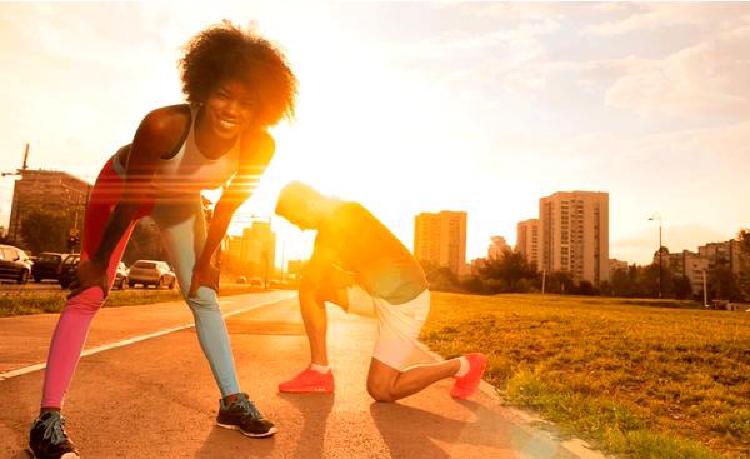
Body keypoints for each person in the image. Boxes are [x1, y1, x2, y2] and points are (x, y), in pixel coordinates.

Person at [28, 22, 296, 459]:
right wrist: (97, 261)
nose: (232, 110)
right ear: (203, 89)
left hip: (182, 202)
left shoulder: (259, 146)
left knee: (203, 294)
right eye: (224, 94)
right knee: (90, 293)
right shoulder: (163, 124)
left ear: (261, 109)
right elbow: (133, 197)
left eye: (246, 103)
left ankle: (232, 402)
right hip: (123, 188)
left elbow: (228, 204)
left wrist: (208, 259)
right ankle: (47, 420)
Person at [274, 182, 487, 402]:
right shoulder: (329, 229)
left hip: (405, 304)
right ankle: (319, 372)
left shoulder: (345, 214)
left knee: (382, 390)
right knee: (311, 287)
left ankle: (463, 365)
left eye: (295, 219)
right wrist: (342, 274)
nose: (299, 227)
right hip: (375, 297)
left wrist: (333, 273)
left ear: (308, 203)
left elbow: (320, 269)